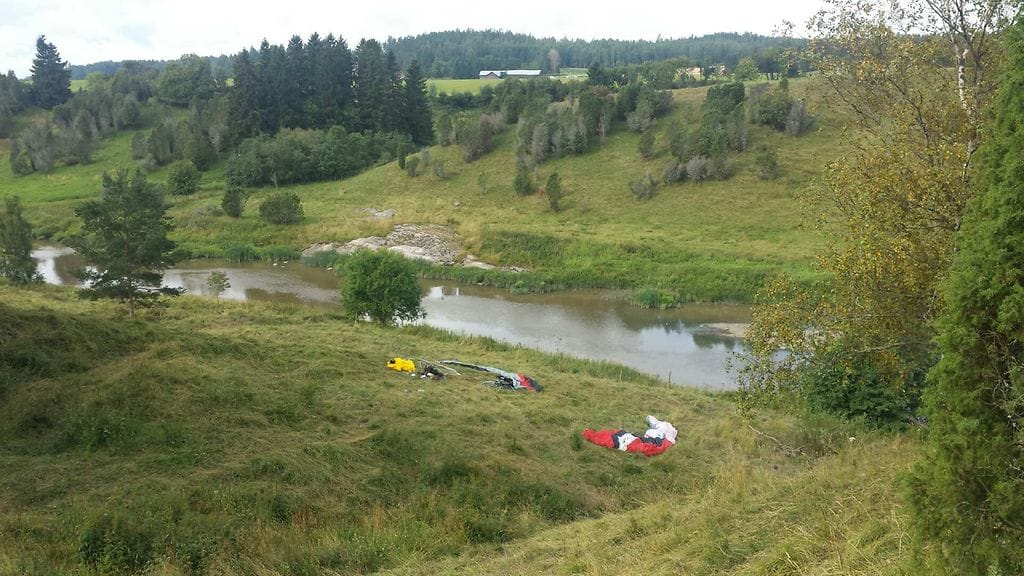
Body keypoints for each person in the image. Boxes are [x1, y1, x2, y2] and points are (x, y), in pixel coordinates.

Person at [582, 415, 678, 457]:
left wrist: (588, 433)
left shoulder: (612, 441)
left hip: (631, 439)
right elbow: (651, 448)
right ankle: (654, 424)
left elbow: (599, 438)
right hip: (637, 440)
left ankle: (654, 424)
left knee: (658, 430)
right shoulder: (660, 439)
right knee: (661, 430)